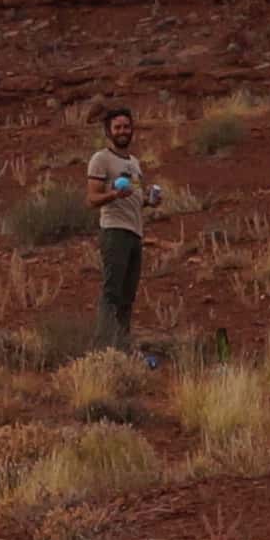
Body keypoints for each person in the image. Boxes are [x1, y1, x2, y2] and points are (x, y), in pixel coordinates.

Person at [84, 104, 165, 358]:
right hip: (114, 230)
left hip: (135, 231)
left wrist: (149, 201)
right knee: (112, 291)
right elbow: (92, 199)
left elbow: (135, 197)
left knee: (128, 293)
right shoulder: (101, 159)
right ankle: (102, 348)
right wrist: (114, 194)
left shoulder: (134, 163)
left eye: (126, 126)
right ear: (108, 131)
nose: (122, 131)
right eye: (117, 127)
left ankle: (122, 344)